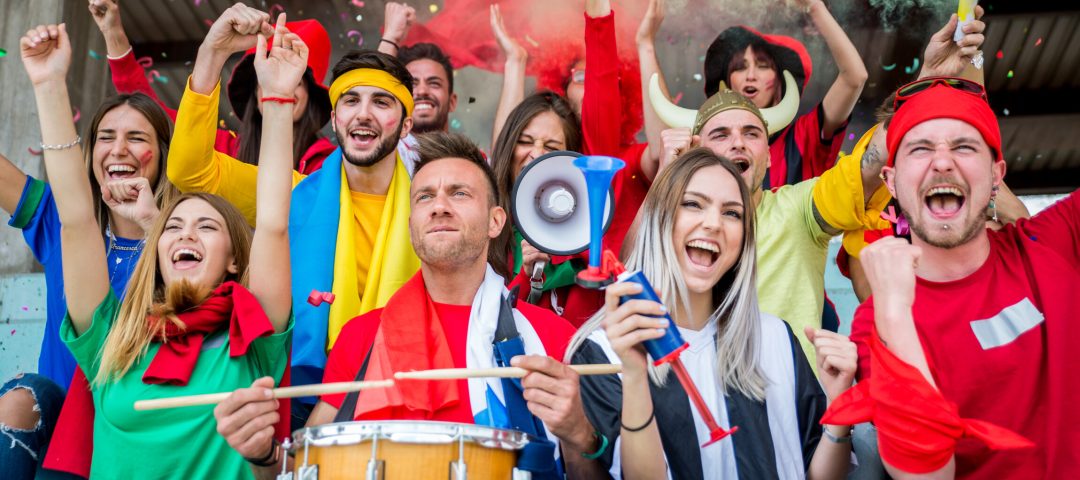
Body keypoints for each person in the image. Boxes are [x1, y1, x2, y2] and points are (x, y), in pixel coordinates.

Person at [214, 131, 608, 479]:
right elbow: (308, 468)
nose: (439, 206)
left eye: (459, 193)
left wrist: (579, 433)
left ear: (495, 221)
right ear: (410, 223)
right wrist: (264, 457)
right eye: (424, 196)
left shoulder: (551, 337)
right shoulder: (362, 336)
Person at [17, 15, 299, 477]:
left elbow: (271, 224)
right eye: (172, 227)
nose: (185, 234)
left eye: (207, 227)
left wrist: (280, 98)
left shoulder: (254, 337)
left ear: (234, 260)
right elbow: (75, 219)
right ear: (156, 251)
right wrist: (48, 85)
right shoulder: (111, 338)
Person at [648, 10, 991, 367]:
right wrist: (664, 183)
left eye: (751, 134)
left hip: (798, 412)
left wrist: (926, 81)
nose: (738, 143)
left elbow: (870, 164)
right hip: (703, 407)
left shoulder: (798, 208)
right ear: (699, 152)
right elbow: (635, 266)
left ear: (767, 156)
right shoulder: (677, 222)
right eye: (721, 135)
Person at [168, 4, 422, 426]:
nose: (363, 113)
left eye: (381, 102)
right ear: (335, 119)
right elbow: (189, 171)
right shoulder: (292, 192)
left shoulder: (433, 208)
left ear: (407, 125)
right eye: (351, 100)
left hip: (410, 404)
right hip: (305, 405)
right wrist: (212, 51)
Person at [833, 77, 1080, 479]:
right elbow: (927, 476)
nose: (943, 162)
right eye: (921, 148)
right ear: (892, 182)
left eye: (964, 146)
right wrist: (894, 314)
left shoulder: (1058, 239)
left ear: (996, 175)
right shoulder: (876, 323)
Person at [567, 148, 857, 478]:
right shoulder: (600, 352)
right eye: (693, 204)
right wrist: (635, 375)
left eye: (732, 213)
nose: (713, 223)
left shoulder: (775, 335)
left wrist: (838, 406)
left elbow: (820, 475)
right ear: (660, 217)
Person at [87, 0, 335, 174]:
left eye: (295, 80)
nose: (279, 85)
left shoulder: (331, 165)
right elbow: (151, 115)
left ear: (312, 96)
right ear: (255, 94)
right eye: (266, 75)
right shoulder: (222, 149)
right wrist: (113, 33)